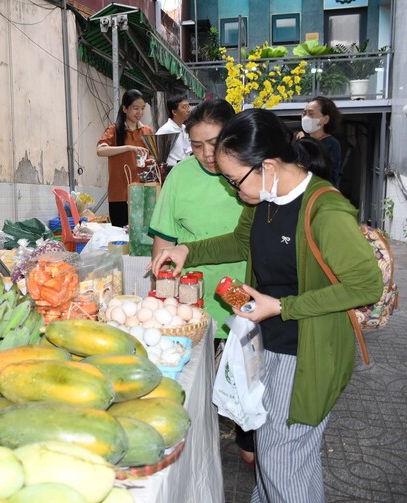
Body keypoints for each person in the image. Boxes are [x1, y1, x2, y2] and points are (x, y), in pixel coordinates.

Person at [150, 108, 383, 502]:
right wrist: (187, 250)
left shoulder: (325, 212)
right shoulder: (264, 200)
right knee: (279, 454)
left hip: (306, 350)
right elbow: (240, 242)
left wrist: (280, 306)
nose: (232, 189)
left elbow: (366, 285)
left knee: (282, 457)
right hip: (268, 342)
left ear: (269, 165)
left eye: (234, 180)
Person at [148, 98, 254, 468]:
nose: (207, 154)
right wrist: (163, 300)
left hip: (244, 298)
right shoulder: (180, 176)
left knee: (245, 387)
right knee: (194, 388)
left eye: (215, 142)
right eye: (197, 145)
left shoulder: (248, 173)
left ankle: (246, 443)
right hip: (192, 306)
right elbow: (164, 239)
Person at [96, 89, 153, 227]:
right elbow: (100, 151)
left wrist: (151, 161)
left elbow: (152, 154)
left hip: (141, 191)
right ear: (125, 109)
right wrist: (128, 148)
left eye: (142, 108)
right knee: (120, 234)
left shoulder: (147, 131)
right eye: (135, 108)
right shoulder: (114, 130)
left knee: (141, 232)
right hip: (119, 193)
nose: (140, 112)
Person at [299, 96, 342, 188]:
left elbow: (325, 174)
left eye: (311, 113)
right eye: (304, 113)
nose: (306, 117)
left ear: (325, 119)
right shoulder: (301, 142)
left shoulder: (332, 144)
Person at [155, 93, 192, 165]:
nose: (188, 110)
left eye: (188, 106)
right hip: (172, 169)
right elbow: (157, 155)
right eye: (184, 107)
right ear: (174, 112)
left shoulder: (185, 128)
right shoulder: (165, 130)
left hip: (185, 167)